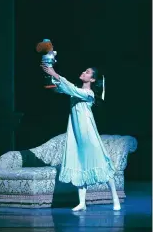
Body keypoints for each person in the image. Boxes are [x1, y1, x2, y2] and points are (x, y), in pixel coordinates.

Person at [41, 64, 121, 212]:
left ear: (92, 79)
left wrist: (56, 74)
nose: (83, 72)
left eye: (87, 72)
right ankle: (82, 202)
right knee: (79, 164)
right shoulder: (76, 92)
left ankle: (115, 198)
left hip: (88, 133)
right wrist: (51, 76)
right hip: (77, 133)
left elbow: (71, 88)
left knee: (101, 162)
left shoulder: (88, 94)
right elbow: (63, 88)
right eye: (84, 70)